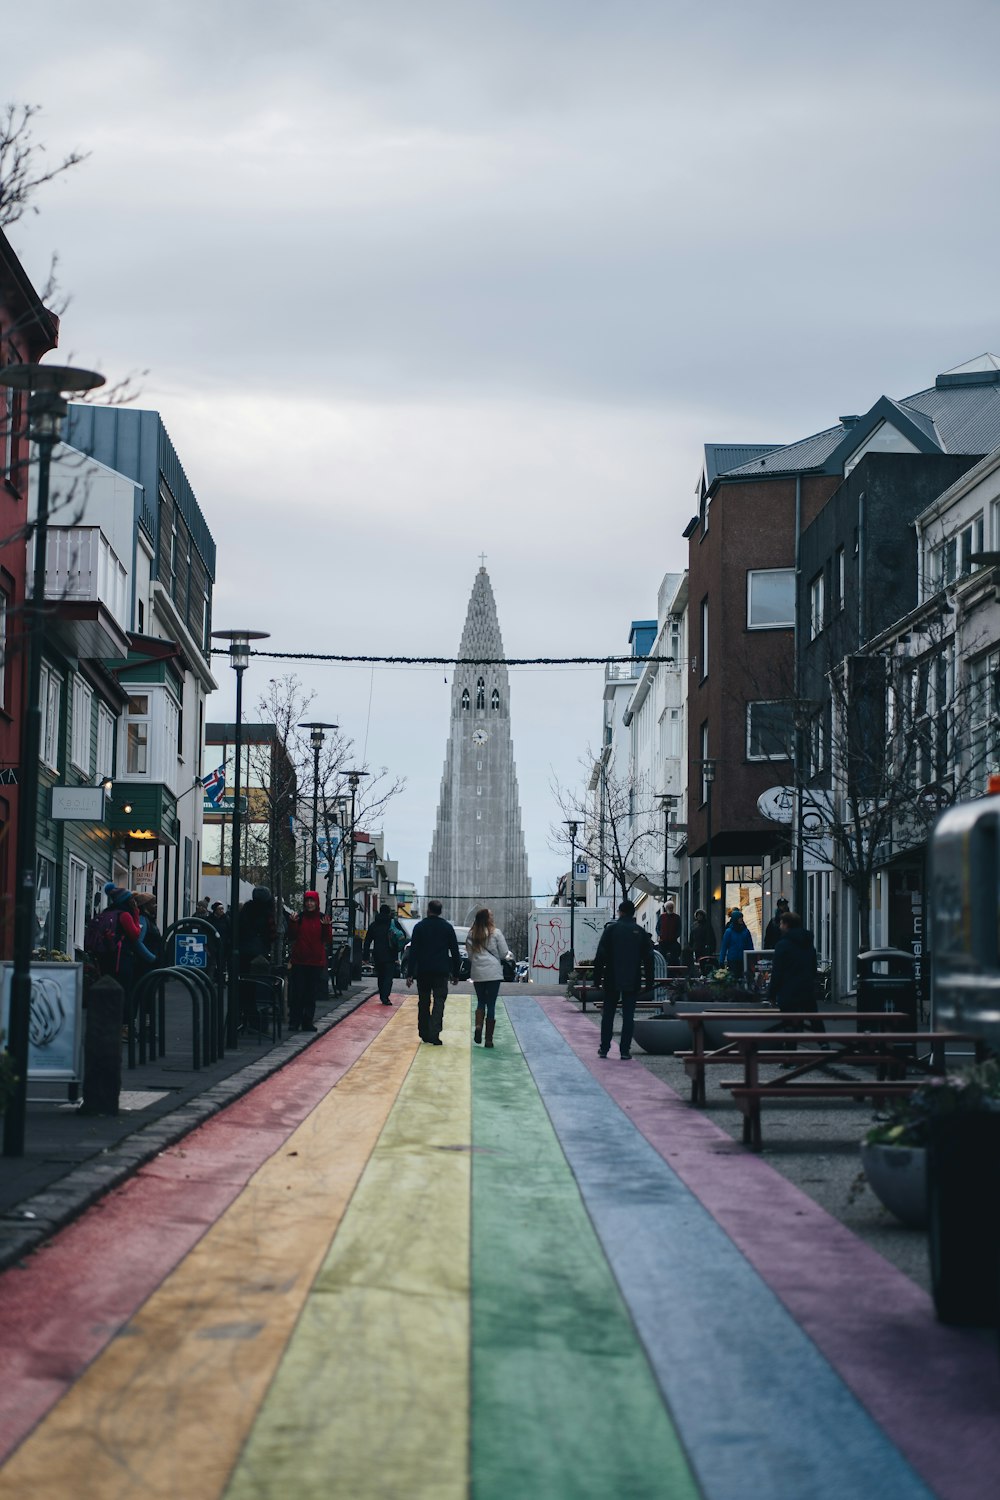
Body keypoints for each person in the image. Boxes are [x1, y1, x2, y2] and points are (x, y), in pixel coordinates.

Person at [592, 898, 655, 1061]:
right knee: (628, 1015)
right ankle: (625, 1050)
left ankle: (604, 1048)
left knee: (608, 1015)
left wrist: (597, 979)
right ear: (633, 913)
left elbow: (600, 956)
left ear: (620, 912)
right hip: (632, 978)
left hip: (612, 977)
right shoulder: (639, 932)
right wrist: (649, 982)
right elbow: (649, 959)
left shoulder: (611, 930)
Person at [404, 899, 461, 1045]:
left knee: (423, 1001)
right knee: (439, 1001)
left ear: (428, 910)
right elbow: (455, 952)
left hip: (423, 971)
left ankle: (424, 1032)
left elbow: (413, 952)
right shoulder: (447, 928)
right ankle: (434, 1032)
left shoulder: (419, 927)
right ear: (440, 911)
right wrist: (456, 973)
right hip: (441, 971)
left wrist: (410, 974)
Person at [767, 909, 824, 1033]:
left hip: (788, 990)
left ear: (786, 925)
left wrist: (771, 993)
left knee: (789, 1023)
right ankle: (824, 1044)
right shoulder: (808, 944)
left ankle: (791, 1048)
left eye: (781, 923)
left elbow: (777, 971)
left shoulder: (782, 945)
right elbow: (813, 968)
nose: (780, 926)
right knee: (814, 1019)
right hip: (806, 988)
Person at [466, 907, 513, 1048]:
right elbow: (504, 952)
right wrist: (508, 957)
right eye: (490, 915)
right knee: (491, 1004)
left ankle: (479, 1026)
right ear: (487, 919)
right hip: (493, 973)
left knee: (481, 1001)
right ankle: (488, 1040)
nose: (492, 917)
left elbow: (469, 955)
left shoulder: (471, 934)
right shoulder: (496, 933)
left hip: (478, 973)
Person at [287, 891, 333, 1032]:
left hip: (315, 962)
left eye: (312, 901)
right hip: (300, 961)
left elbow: (327, 939)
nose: (309, 904)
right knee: (297, 993)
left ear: (317, 902)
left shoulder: (322, 918)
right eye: (307, 901)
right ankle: (294, 1021)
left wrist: (326, 926)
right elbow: (292, 936)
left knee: (310, 994)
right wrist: (293, 923)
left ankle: (307, 1021)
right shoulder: (299, 918)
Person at [238, 887, 277, 1027]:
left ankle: (242, 1018)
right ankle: (258, 1022)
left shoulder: (246, 910)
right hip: (260, 954)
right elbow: (272, 934)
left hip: (243, 953)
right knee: (260, 989)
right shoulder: (268, 914)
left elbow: (238, 928)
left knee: (244, 988)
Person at [363, 903, 406, 1006]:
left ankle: (382, 994)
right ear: (389, 912)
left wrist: (365, 956)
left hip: (377, 954)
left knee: (381, 976)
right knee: (388, 977)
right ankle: (385, 997)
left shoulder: (374, 925)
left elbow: (367, 941)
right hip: (390, 954)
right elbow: (403, 935)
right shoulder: (393, 923)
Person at [719, 908, 753, 981]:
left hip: (743, 959)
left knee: (743, 979)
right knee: (733, 979)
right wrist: (721, 960)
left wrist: (751, 958)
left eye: (741, 918)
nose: (741, 919)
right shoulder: (729, 932)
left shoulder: (745, 931)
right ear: (735, 919)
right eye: (739, 918)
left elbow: (750, 946)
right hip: (732, 959)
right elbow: (724, 946)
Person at [209, 901, 231, 981]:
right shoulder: (210, 919)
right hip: (212, 944)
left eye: (222, 909)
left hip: (223, 944)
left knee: (222, 963)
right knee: (212, 962)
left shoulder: (226, 919)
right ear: (215, 910)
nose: (222, 911)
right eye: (219, 909)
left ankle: (221, 980)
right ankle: (210, 979)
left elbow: (230, 931)